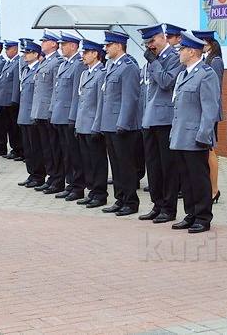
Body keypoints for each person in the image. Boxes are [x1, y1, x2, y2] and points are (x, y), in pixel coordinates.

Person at [169, 32, 221, 234]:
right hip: (181, 135)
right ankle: (190, 214)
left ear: (192, 51)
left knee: (199, 178)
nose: (179, 53)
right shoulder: (183, 74)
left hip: (195, 137)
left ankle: (203, 217)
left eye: (181, 49)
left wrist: (204, 135)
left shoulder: (206, 74)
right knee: (186, 179)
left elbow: (210, 109)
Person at [136, 23, 184, 224]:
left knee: (167, 166)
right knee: (153, 166)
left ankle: (169, 207)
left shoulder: (173, 57)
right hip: (149, 119)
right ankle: (157, 204)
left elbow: (166, 82)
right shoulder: (151, 59)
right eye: (147, 42)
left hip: (165, 120)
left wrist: (154, 62)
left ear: (163, 37)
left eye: (152, 41)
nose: (150, 45)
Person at [92, 31, 141, 217]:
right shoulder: (112, 66)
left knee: (126, 165)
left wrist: (123, 123)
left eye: (108, 45)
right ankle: (120, 199)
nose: (105, 48)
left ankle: (130, 201)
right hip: (110, 124)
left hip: (122, 126)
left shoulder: (128, 66)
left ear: (119, 46)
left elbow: (130, 98)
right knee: (116, 165)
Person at [52, 32, 87, 201]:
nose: (61, 47)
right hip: (60, 114)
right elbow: (57, 90)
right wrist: (53, 112)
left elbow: (76, 94)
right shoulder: (64, 64)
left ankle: (78, 186)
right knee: (66, 152)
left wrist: (73, 118)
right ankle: (70, 183)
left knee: (74, 153)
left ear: (73, 46)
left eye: (64, 44)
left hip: (69, 116)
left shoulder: (78, 64)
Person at [74, 40, 109, 208]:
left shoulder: (101, 73)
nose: (83, 56)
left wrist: (97, 126)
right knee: (86, 161)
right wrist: (77, 125)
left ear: (95, 54)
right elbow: (82, 101)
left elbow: (100, 103)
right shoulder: (85, 74)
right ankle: (92, 191)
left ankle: (100, 193)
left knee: (97, 161)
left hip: (93, 125)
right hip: (83, 124)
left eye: (86, 53)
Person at [31, 31, 65, 194]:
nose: (42, 44)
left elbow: (55, 90)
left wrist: (52, 110)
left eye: (45, 41)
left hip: (49, 112)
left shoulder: (57, 62)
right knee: (46, 148)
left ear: (53, 44)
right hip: (41, 111)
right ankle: (51, 177)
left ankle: (58, 179)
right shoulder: (45, 62)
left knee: (54, 148)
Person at [194, 30, 224, 204]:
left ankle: (214, 189)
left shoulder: (216, 61)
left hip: (210, 112)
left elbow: (214, 89)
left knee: (210, 150)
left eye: (203, 44)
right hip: (202, 111)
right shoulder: (206, 59)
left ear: (210, 44)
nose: (201, 47)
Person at [17, 39, 47, 188]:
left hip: (33, 114)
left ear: (36, 54)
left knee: (35, 147)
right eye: (25, 53)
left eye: (28, 53)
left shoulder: (39, 69)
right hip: (24, 113)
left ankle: (39, 175)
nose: (25, 55)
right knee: (28, 148)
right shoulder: (26, 69)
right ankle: (31, 174)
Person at [0, 40, 24, 161]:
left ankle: (18, 149)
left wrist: (14, 99)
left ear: (15, 49)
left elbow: (15, 84)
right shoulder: (9, 63)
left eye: (8, 49)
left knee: (14, 128)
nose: (6, 51)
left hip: (11, 101)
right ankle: (14, 148)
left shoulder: (17, 62)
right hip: (4, 100)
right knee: (8, 127)